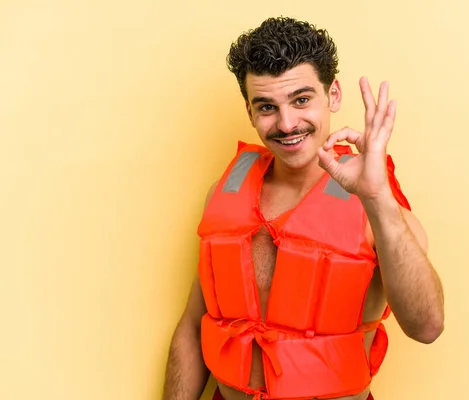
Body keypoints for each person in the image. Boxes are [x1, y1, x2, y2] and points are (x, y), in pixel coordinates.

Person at [162, 16, 445, 400]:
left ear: (333, 96)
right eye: (266, 107)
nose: (287, 123)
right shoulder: (224, 193)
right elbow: (194, 327)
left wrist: (378, 200)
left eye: (301, 99)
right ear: (249, 112)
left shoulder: (376, 203)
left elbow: (427, 326)